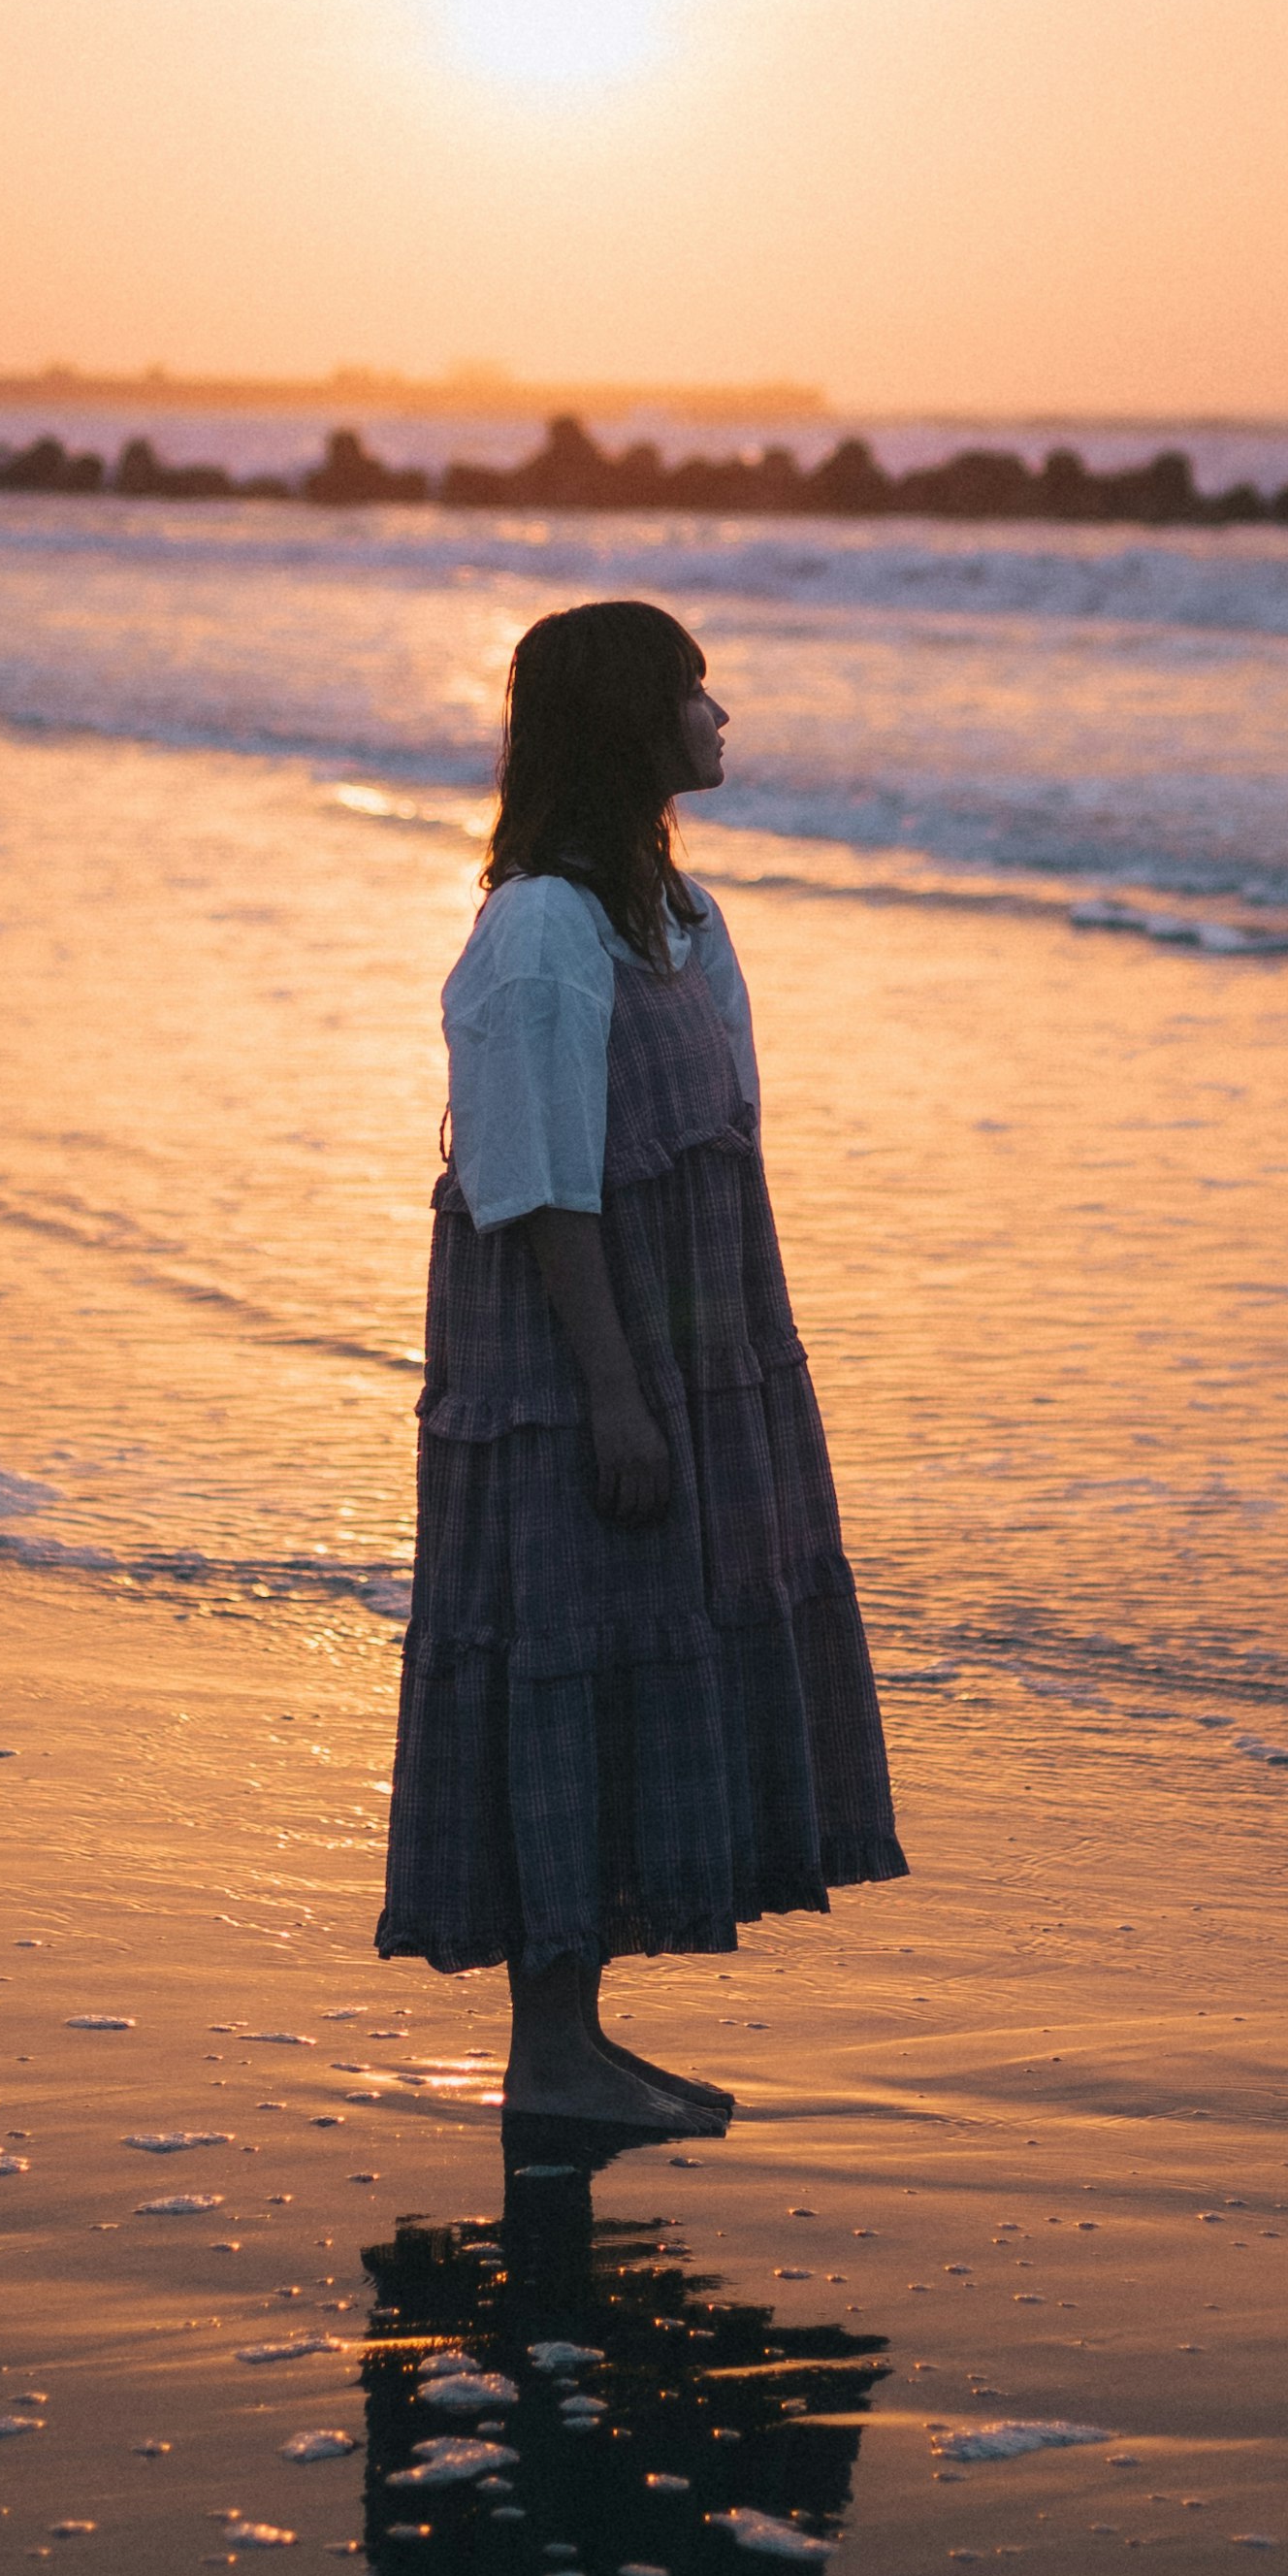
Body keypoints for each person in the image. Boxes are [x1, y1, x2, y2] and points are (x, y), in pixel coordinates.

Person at [377, 595, 905, 2154]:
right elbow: (534, 1188)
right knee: (563, 1661)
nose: (719, 718)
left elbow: (720, 1146)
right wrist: (614, 1393)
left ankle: (582, 2041)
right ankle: (547, 2055)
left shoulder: (677, 919)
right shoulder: (540, 928)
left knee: (631, 1667)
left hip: (691, 1343)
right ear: (629, 723)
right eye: (692, 692)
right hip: (571, 1362)